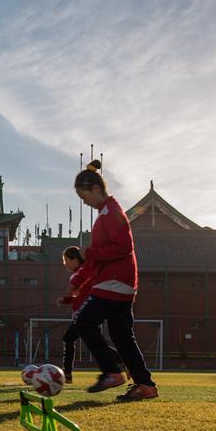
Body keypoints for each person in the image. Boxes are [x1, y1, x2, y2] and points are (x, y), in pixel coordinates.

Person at [72, 161, 157, 400]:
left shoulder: (111, 212)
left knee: (84, 322)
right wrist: (80, 279)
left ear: (96, 189)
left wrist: (90, 253)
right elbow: (104, 254)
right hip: (121, 283)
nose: (84, 201)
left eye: (83, 195)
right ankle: (145, 384)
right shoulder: (106, 213)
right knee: (122, 336)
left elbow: (124, 247)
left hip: (115, 281)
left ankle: (112, 370)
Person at [56, 246, 90, 384]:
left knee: (69, 339)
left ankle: (67, 374)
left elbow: (82, 292)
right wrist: (65, 300)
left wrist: (68, 296)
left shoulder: (82, 272)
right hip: (84, 312)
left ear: (74, 259)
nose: (64, 264)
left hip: (85, 313)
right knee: (92, 341)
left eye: (65, 260)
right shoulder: (80, 272)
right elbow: (79, 294)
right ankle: (121, 360)